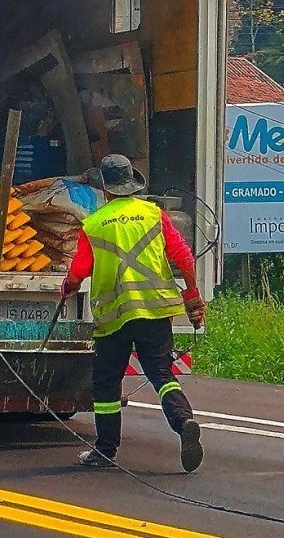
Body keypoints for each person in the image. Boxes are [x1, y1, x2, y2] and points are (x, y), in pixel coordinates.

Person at [60, 154, 207, 472]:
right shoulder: (153, 214)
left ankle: (105, 449)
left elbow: (79, 271)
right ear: (132, 184)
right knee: (161, 374)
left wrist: (69, 286)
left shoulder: (94, 224)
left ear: (105, 188)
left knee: (106, 382)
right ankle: (184, 423)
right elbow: (183, 256)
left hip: (115, 317)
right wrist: (192, 294)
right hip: (156, 310)